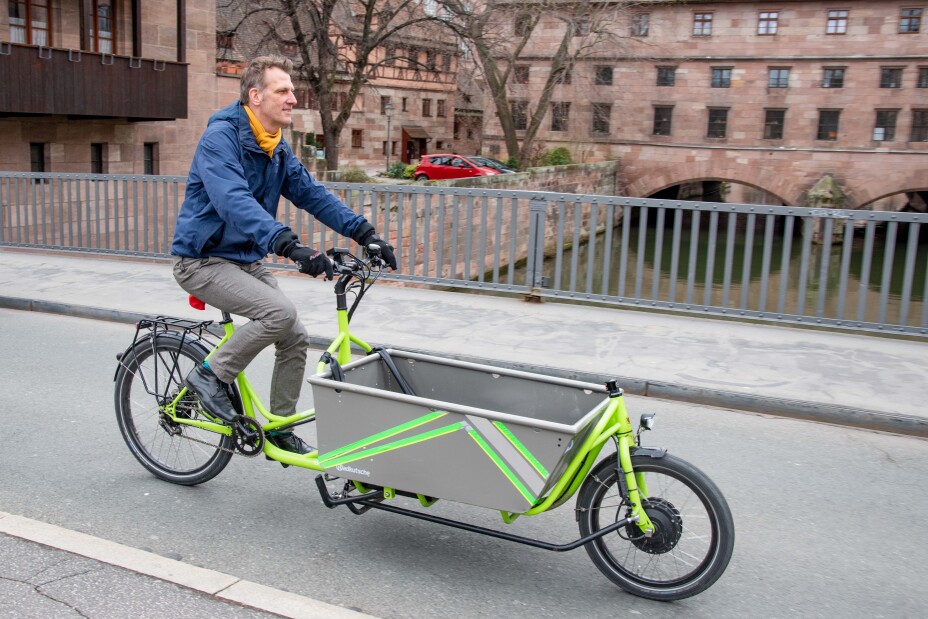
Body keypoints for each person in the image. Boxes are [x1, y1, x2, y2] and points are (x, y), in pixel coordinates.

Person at [170, 55, 396, 455]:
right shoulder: (220, 139)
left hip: (245, 259)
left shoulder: (274, 147)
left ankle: (279, 425)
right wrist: (288, 244)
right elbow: (233, 201)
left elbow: (312, 194)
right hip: (202, 260)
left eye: (292, 90)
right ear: (255, 96)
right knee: (278, 313)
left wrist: (365, 232)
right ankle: (209, 376)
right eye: (283, 90)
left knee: (294, 336)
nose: (293, 98)